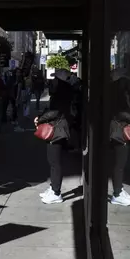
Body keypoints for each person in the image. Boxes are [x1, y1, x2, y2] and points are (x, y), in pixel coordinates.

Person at [35, 69, 73, 204]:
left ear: (59, 80)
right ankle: (53, 188)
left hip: (57, 130)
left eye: (54, 79)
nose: (52, 81)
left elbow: (55, 112)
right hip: (59, 128)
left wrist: (40, 119)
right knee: (53, 162)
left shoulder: (61, 95)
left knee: (55, 162)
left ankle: (56, 192)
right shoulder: (63, 93)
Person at [109, 74, 130, 206]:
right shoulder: (118, 97)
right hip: (119, 132)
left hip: (118, 131)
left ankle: (119, 190)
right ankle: (117, 194)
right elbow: (122, 113)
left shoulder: (118, 95)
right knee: (119, 165)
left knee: (120, 164)